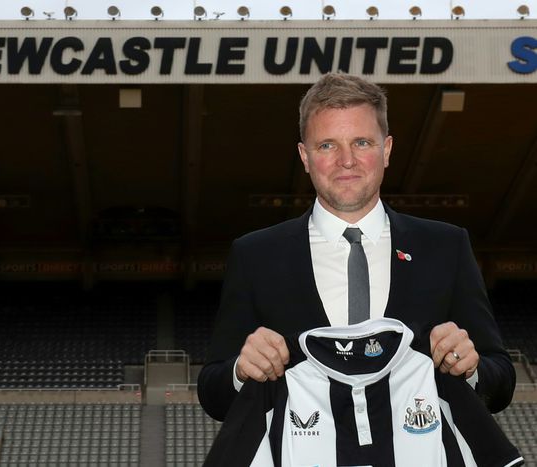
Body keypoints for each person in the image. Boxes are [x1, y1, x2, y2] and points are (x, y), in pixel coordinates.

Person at [197, 73, 515, 422]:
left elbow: (500, 383)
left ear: (386, 150)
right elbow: (214, 394)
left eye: (361, 142)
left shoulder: (446, 247)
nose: (346, 160)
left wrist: (470, 367)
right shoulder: (256, 255)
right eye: (327, 145)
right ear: (305, 156)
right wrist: (241, 370)